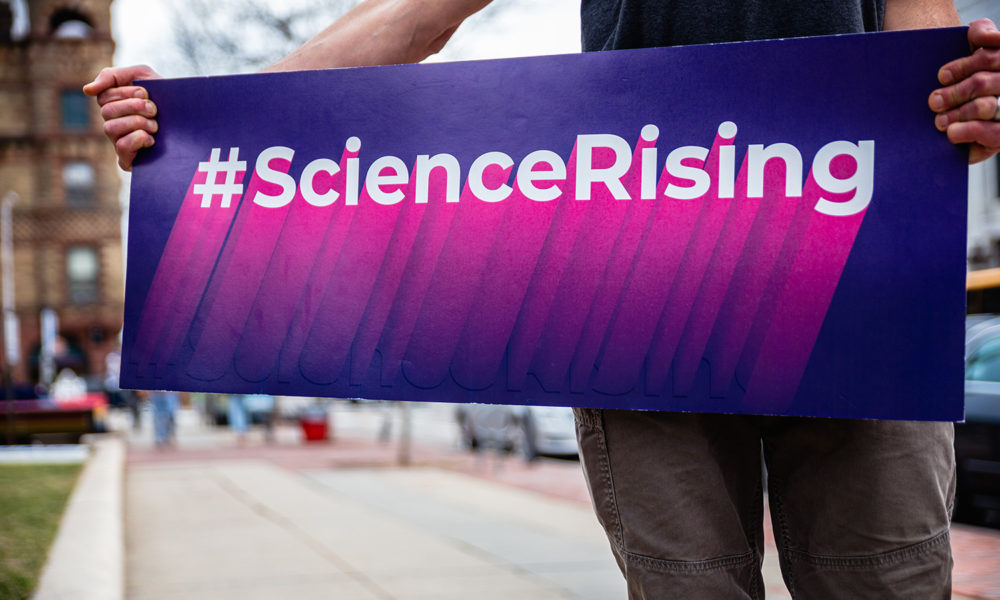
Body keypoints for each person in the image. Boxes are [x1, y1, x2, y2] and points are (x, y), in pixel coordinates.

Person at [85, 1, 1000, 597]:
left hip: (863, 278)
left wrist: (970, 94)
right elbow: (413, 16)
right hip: (635, 303)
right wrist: (211, 118)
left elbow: (927, 39)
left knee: (884, 584)